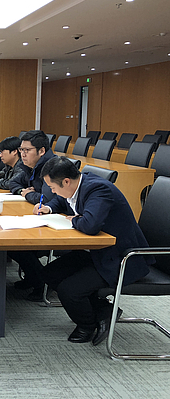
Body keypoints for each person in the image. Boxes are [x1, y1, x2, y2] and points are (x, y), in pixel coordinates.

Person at [35, 156, 154, 345]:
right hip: (97, 251)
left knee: (69, 290)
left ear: (66, 181)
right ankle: (104, 311)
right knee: (49, 273)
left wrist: (74, 219)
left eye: (53, 187)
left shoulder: (98, 189)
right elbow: (62, 201)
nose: (53, 191)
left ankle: (87, 325)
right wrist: (49, 208)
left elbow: (90, 225)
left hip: (120, 258)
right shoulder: (77, 185)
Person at [8, 130, 57, 301]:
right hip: (40, 215)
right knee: (12, 240)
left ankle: (42, 282)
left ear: (41, 151)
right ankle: (33, 278)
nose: (22, 154)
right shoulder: (31, 165)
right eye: (21, 150)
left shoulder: (52, 167)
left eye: (26, 150)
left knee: (15, 243)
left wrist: (29, 194)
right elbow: (14, 183)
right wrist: (24, 191)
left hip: (57, 220)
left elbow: (47, 199)